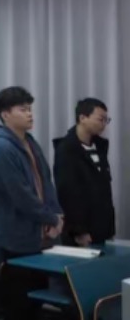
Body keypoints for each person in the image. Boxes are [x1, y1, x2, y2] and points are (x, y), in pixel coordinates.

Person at [0, 86, 63, 320]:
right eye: (23, 109)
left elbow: (47, 182)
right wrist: (48, 217)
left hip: (39, 237)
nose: (30, 114)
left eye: (30, 108)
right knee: (17, 303)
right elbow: (20, 196)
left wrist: (56, 214)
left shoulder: (30, 142)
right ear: (6, 114)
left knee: (33, 302)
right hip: (17, 240)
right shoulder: (1, 149)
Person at [53, 98, 115, 247]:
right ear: (82, 118)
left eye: (106, 120)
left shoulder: (100, 146)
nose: (104, 124)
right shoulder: (66, 149)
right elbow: (67, 194)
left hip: (102, 226)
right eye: (100, 119)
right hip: (80, 231)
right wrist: (79, 231)